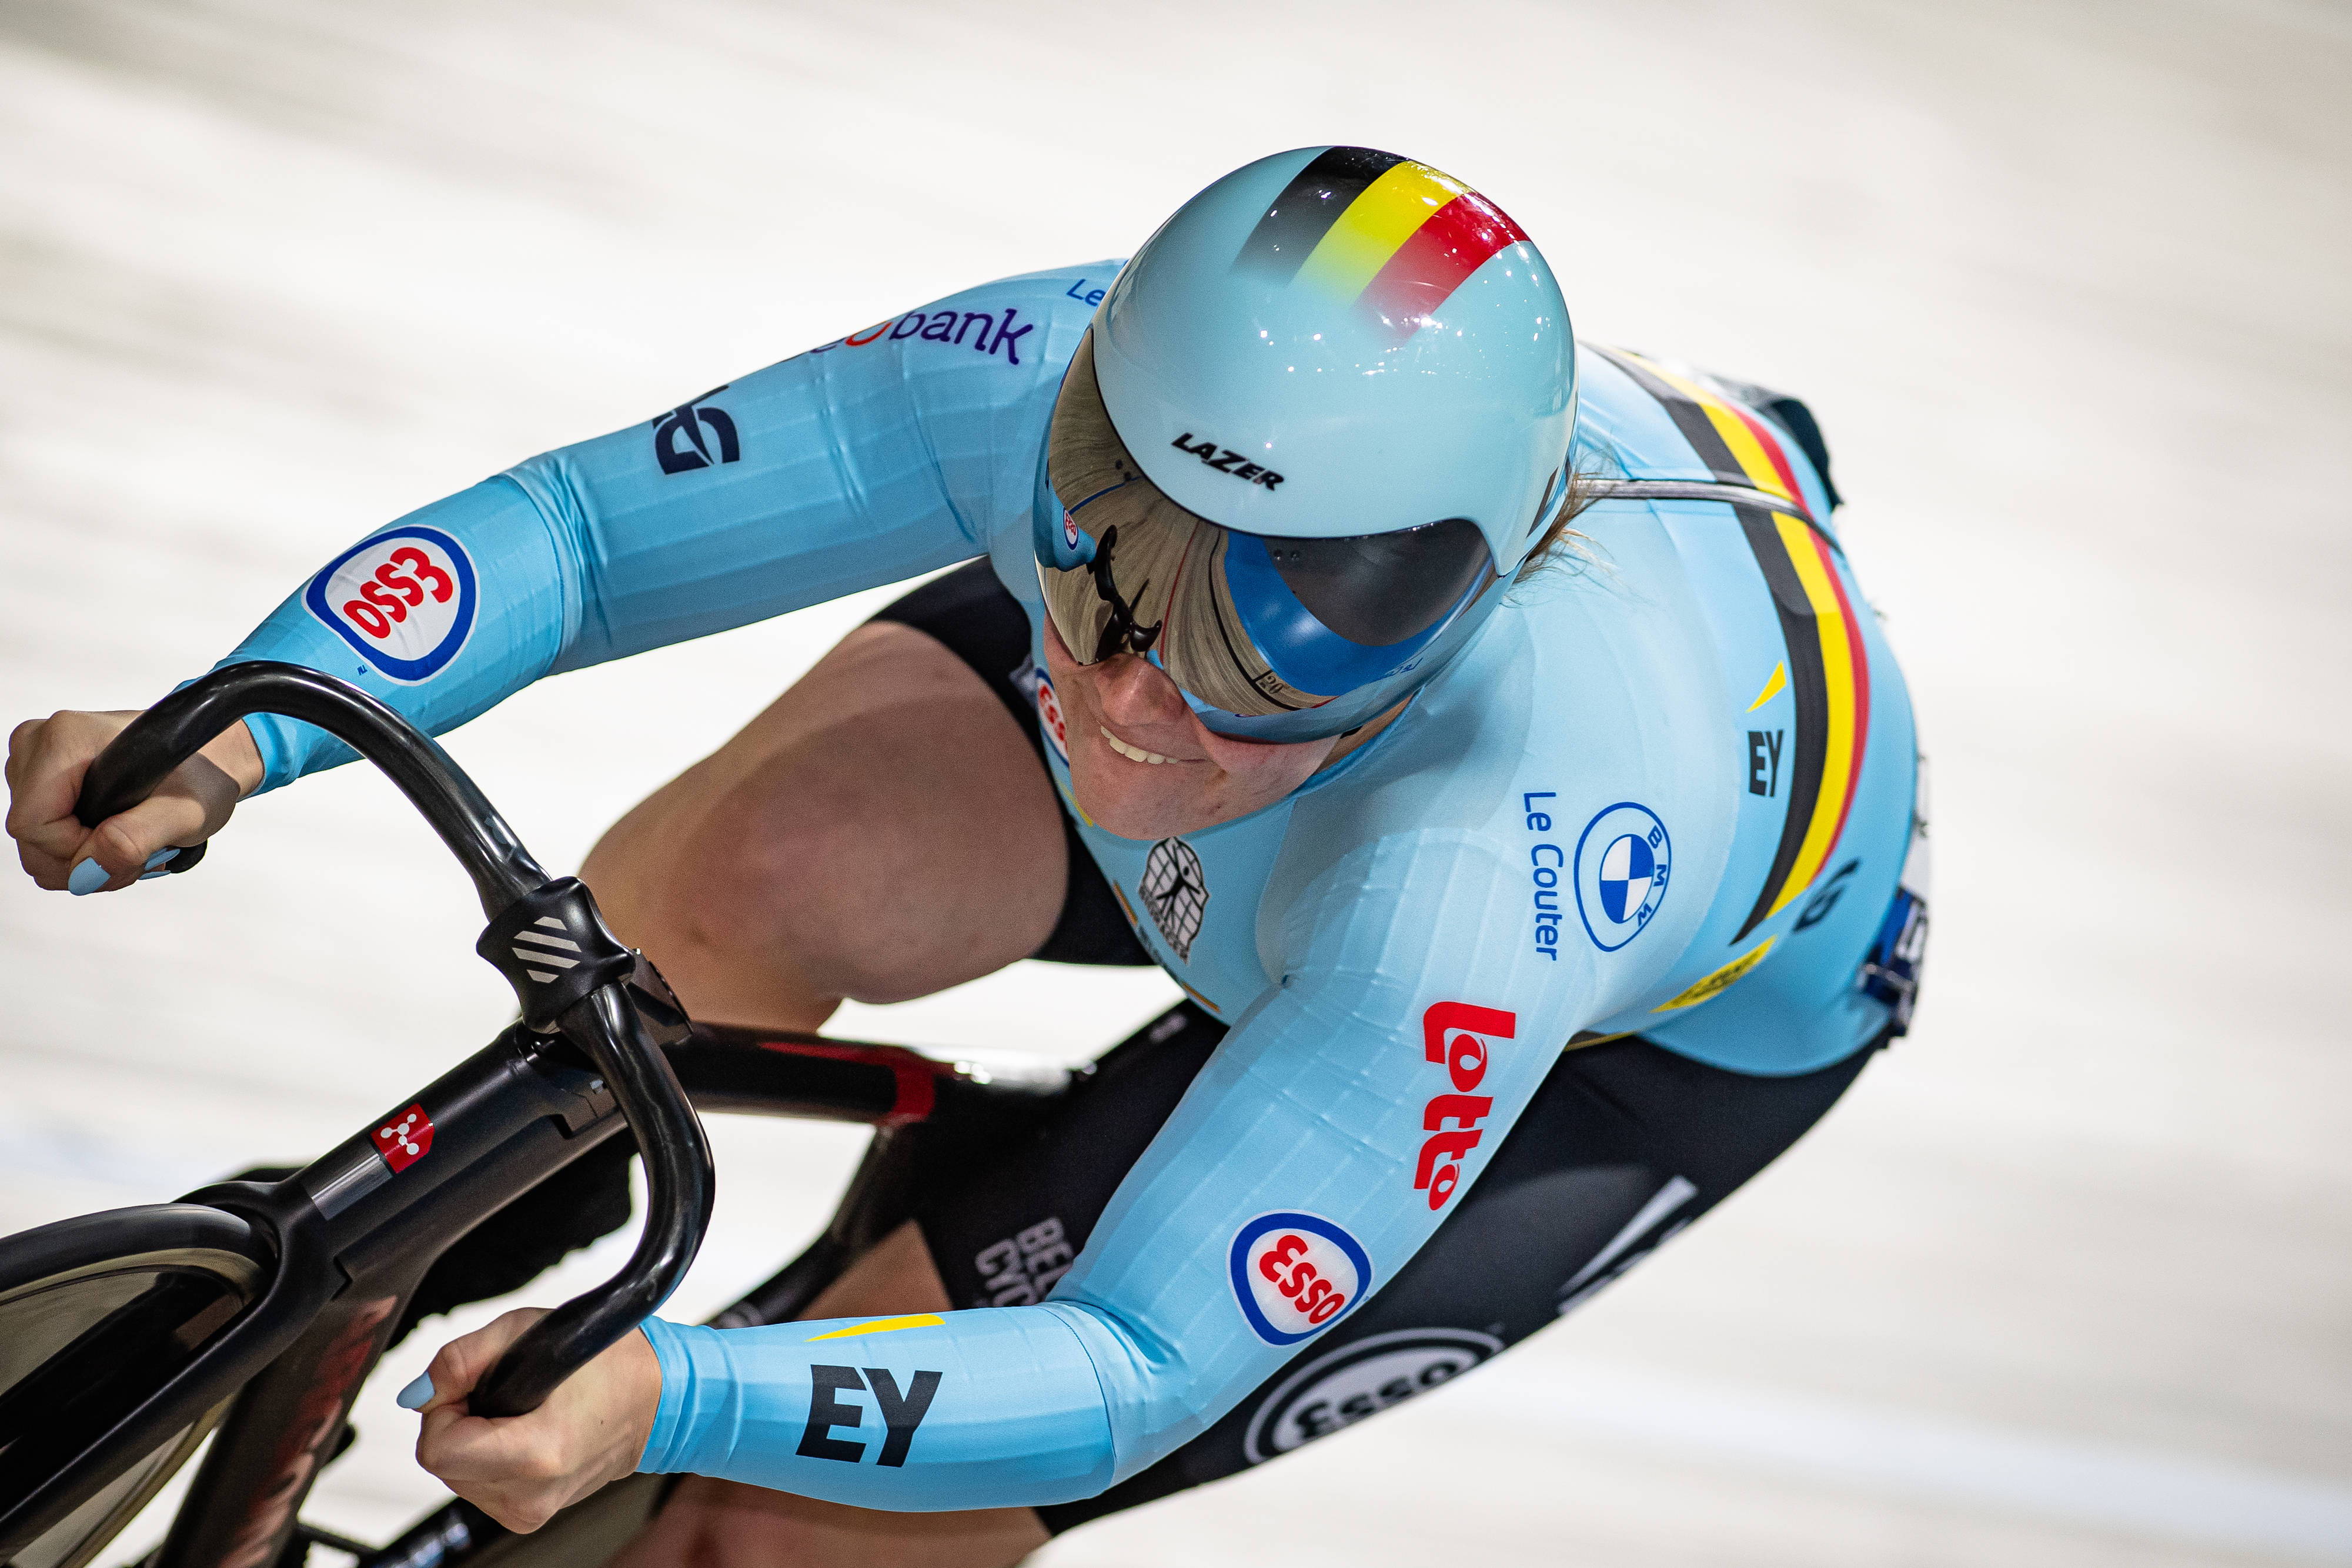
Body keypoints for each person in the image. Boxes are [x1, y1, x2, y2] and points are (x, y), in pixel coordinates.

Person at [5, 146, 1927, 1566]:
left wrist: (686, 1397)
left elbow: (1136, 1353)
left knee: (780, 1532)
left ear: (1459, 603)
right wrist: (237, 722)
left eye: (1286, 623)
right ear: (1100, 406)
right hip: (1319, 814)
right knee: (737, 882)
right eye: (1108, 528)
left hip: (1610, 1038)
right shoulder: (1046, 377)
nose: (1134, 688)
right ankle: (466, 1245)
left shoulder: (1484, 878)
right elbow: (586, 540)